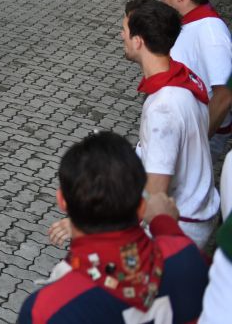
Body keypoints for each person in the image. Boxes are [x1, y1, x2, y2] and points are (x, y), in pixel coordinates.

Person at [22, 131, 208, 324]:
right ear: (142, 207)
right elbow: (177, 246)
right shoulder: (189, 258)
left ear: (62, 201)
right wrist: (163, 221)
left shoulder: (45, 310)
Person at [123, 0, 221, 247]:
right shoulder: (183, 75)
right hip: (200, 207)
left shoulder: (162, 109)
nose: (120, 35)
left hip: (180, 225)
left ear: (138, 41)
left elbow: (156, 196)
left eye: (124, 30)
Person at [160, 0, 232, 143]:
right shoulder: (188, 21)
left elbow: (224, 96)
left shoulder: (211, 33)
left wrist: (196, 144)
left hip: (195, 136)